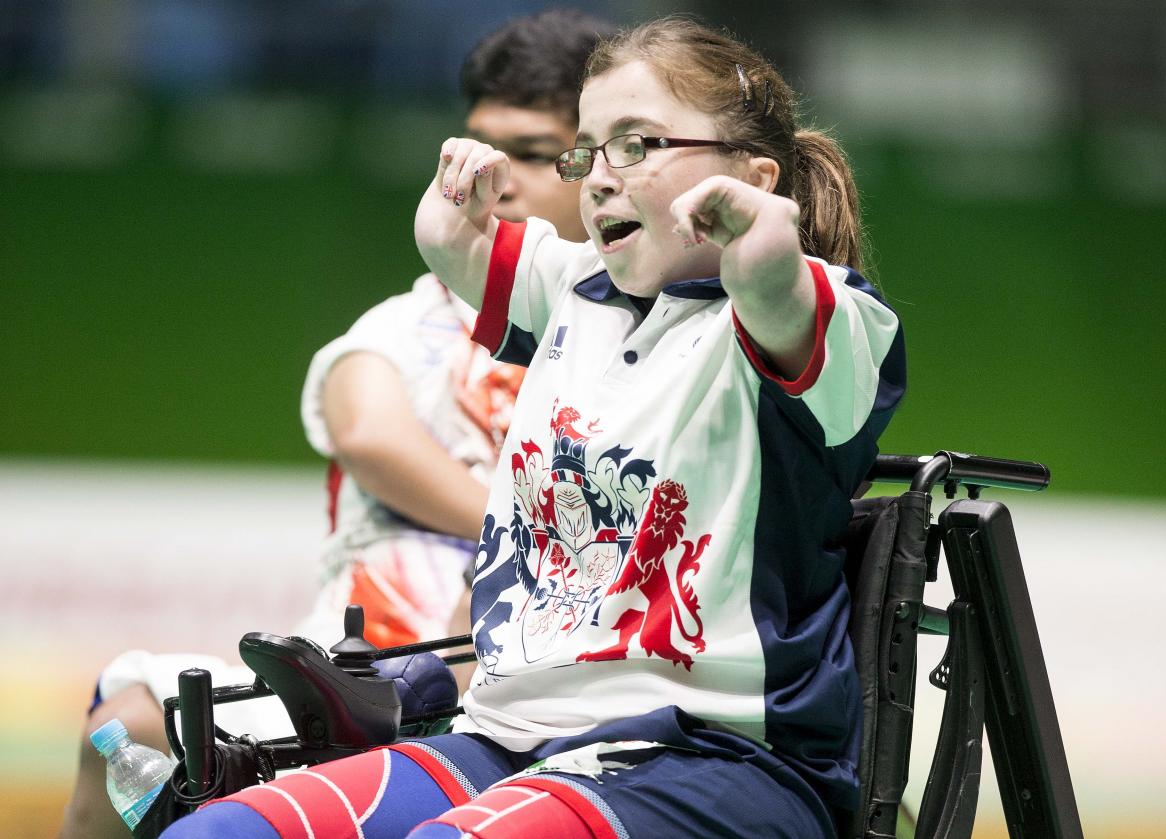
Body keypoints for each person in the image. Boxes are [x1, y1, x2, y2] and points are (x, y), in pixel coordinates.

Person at [161, 17, 906, 839]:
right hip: (507, 739)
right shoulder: (581, 290)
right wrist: (448, 218)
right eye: (586, 150)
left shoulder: (829, 320)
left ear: (754, 174)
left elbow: (783, 302)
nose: (596, 177)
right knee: (213, 832)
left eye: (637, 144)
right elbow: (463, 248)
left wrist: (769, 251)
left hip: (713, 761)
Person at [57, 10, 615, 839]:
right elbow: (370, 435)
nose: (494, 177)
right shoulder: (405, 323)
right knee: (131, 729)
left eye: (532, 153)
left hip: (536, 700)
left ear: (591, 166)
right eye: (476, 148)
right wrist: (523, 528)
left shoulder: (645, 339)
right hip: (352, 683)